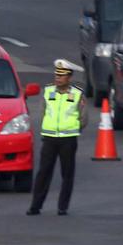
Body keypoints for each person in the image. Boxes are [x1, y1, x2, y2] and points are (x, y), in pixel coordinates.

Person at [28, 59, 89, 216]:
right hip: (49, 138)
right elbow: (42, 112)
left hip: (68, 139)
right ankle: (35, 206)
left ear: (69, 77)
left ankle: (62, 207)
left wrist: (73, 128)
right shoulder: (48, 91)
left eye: (61, 76)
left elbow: (83, 118)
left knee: (67, 173)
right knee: (43, 172)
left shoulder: (77, 93)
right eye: (56, 75)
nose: (57, 78)